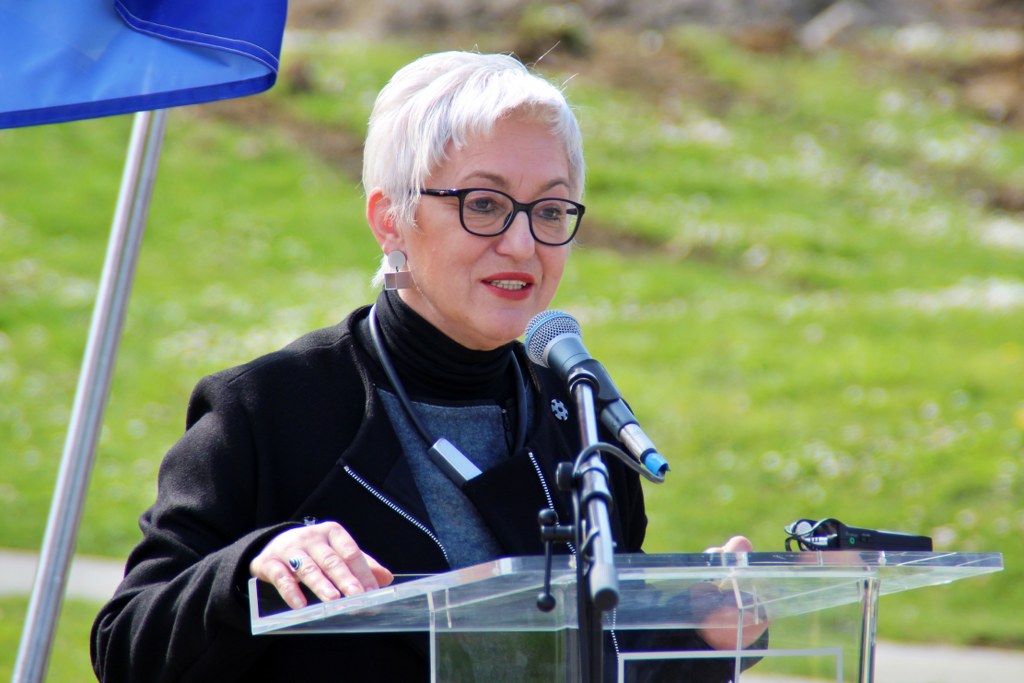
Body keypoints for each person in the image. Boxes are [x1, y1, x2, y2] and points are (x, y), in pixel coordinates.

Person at [91, 50, 765, 682]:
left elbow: (604, 658)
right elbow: (126, 645)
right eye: (484, 204)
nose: (523, 242)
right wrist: (250, 568)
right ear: (391, 219)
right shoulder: (270, 408)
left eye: (550, 209)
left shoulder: (580, 421)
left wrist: (700, 636)